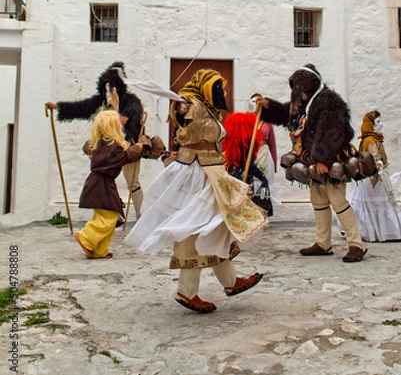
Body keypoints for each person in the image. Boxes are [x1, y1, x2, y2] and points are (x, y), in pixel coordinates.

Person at [125, 68, 267, 313]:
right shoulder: (192, 105)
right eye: (216, 87)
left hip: (212, 173)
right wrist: (182, 105)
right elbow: (182, 113)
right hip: (197, 175)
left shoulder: (209, 111)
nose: (220, 91)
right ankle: (187, 291)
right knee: (194, 227)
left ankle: (231, 283)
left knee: (217, 227)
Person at [256, 64, 367, 263]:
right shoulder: (306, 103)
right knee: (319, 201)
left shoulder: (329, 102)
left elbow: (333, 132)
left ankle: (356, 244)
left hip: (330, 160)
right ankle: (323, 243)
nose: (300, 94)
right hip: (312, 161)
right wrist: (268, 106)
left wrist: (323, 159)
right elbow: (287, 114)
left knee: (338, 201)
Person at [45, 62, 146, 220]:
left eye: (112, 87)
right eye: (106, 87)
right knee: (104, 181)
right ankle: (113, 215)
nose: (109, 92)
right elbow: (81, 107)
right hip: (107, 151)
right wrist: (58, 107)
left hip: (126, 149)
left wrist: (117, 107)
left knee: (132, 182)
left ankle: (143, 217)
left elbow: (127, 126)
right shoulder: (100, 102)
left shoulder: (132, 103)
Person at [75, 108, 145, 259]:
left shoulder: (102, 143)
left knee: (105, 215)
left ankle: (99, 250)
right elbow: (123, 157)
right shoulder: (112, 146)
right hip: (101, 185)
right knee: (109, 216)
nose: (121, 125)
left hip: (100, 183)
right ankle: (87, 237)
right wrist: (137, 149)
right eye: (117, 123)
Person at [344, 111, 401, 242]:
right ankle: (378, 231)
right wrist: (379, 165)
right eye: (377, 122)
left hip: (369, 177)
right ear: (370, 125)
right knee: (377, 202)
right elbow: (374, 156)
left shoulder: (369, 138)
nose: (380, 125)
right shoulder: (371, 140)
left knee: (369, 203)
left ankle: (371, 231)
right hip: (375, 177)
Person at [222, 111, 273, 216]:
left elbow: (248, 164)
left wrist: (261, 177)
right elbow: (248, 165)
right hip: (239, 177)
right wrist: (262, 177)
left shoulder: (242, 147)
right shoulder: (241, 147)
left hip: (238, 176)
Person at [248, 94, 280, 208]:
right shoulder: (247, 121)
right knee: (251, 181)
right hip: (252, 153)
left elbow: (272, 144)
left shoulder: (267, 123)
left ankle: (264, 211)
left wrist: (275, 164)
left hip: (264, 153)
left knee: (264, 181)